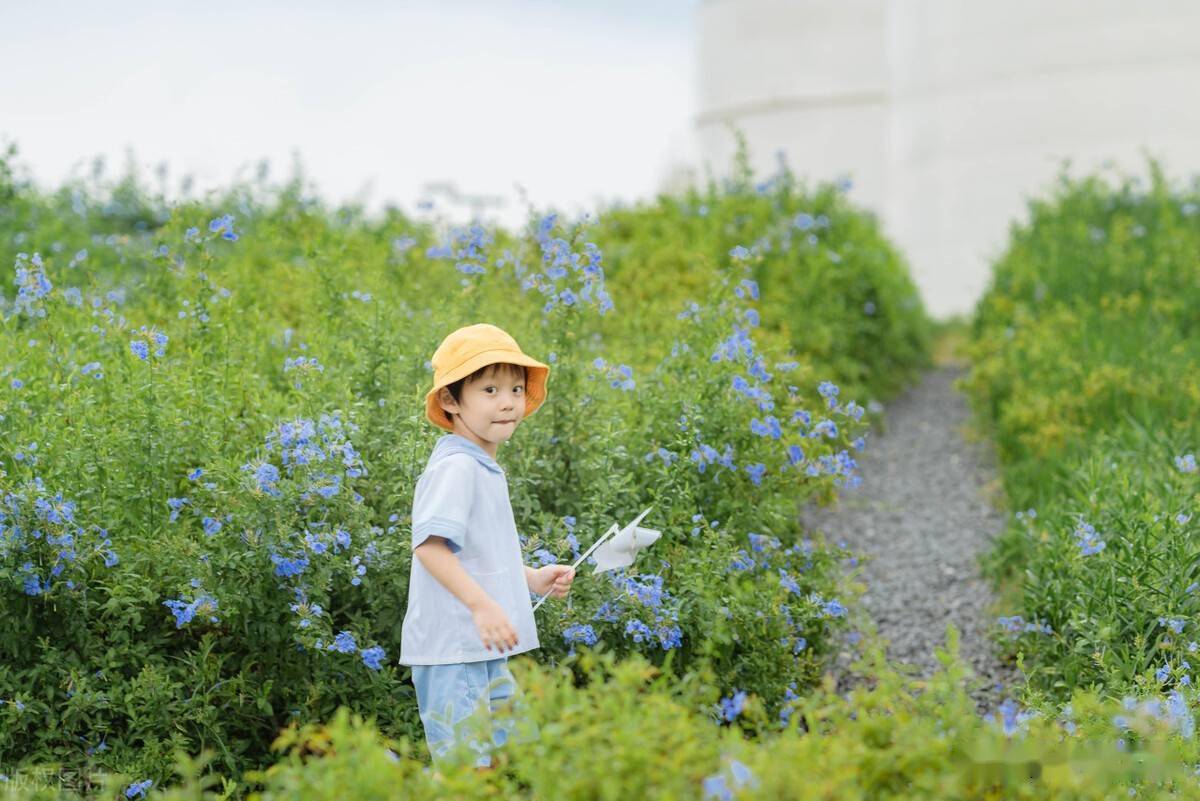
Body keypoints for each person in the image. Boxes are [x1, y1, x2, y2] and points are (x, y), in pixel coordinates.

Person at [399, 322, 576, 769]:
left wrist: (532, 580)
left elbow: (476, 557)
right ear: (450, 400)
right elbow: (431, 548)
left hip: (479, 652)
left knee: (506, 761)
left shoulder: (480, 466)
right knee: (467, 775)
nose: (508, 402)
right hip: (454, 650)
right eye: (490, 389)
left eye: (516, 389)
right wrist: (482, 606)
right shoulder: (457, 467)